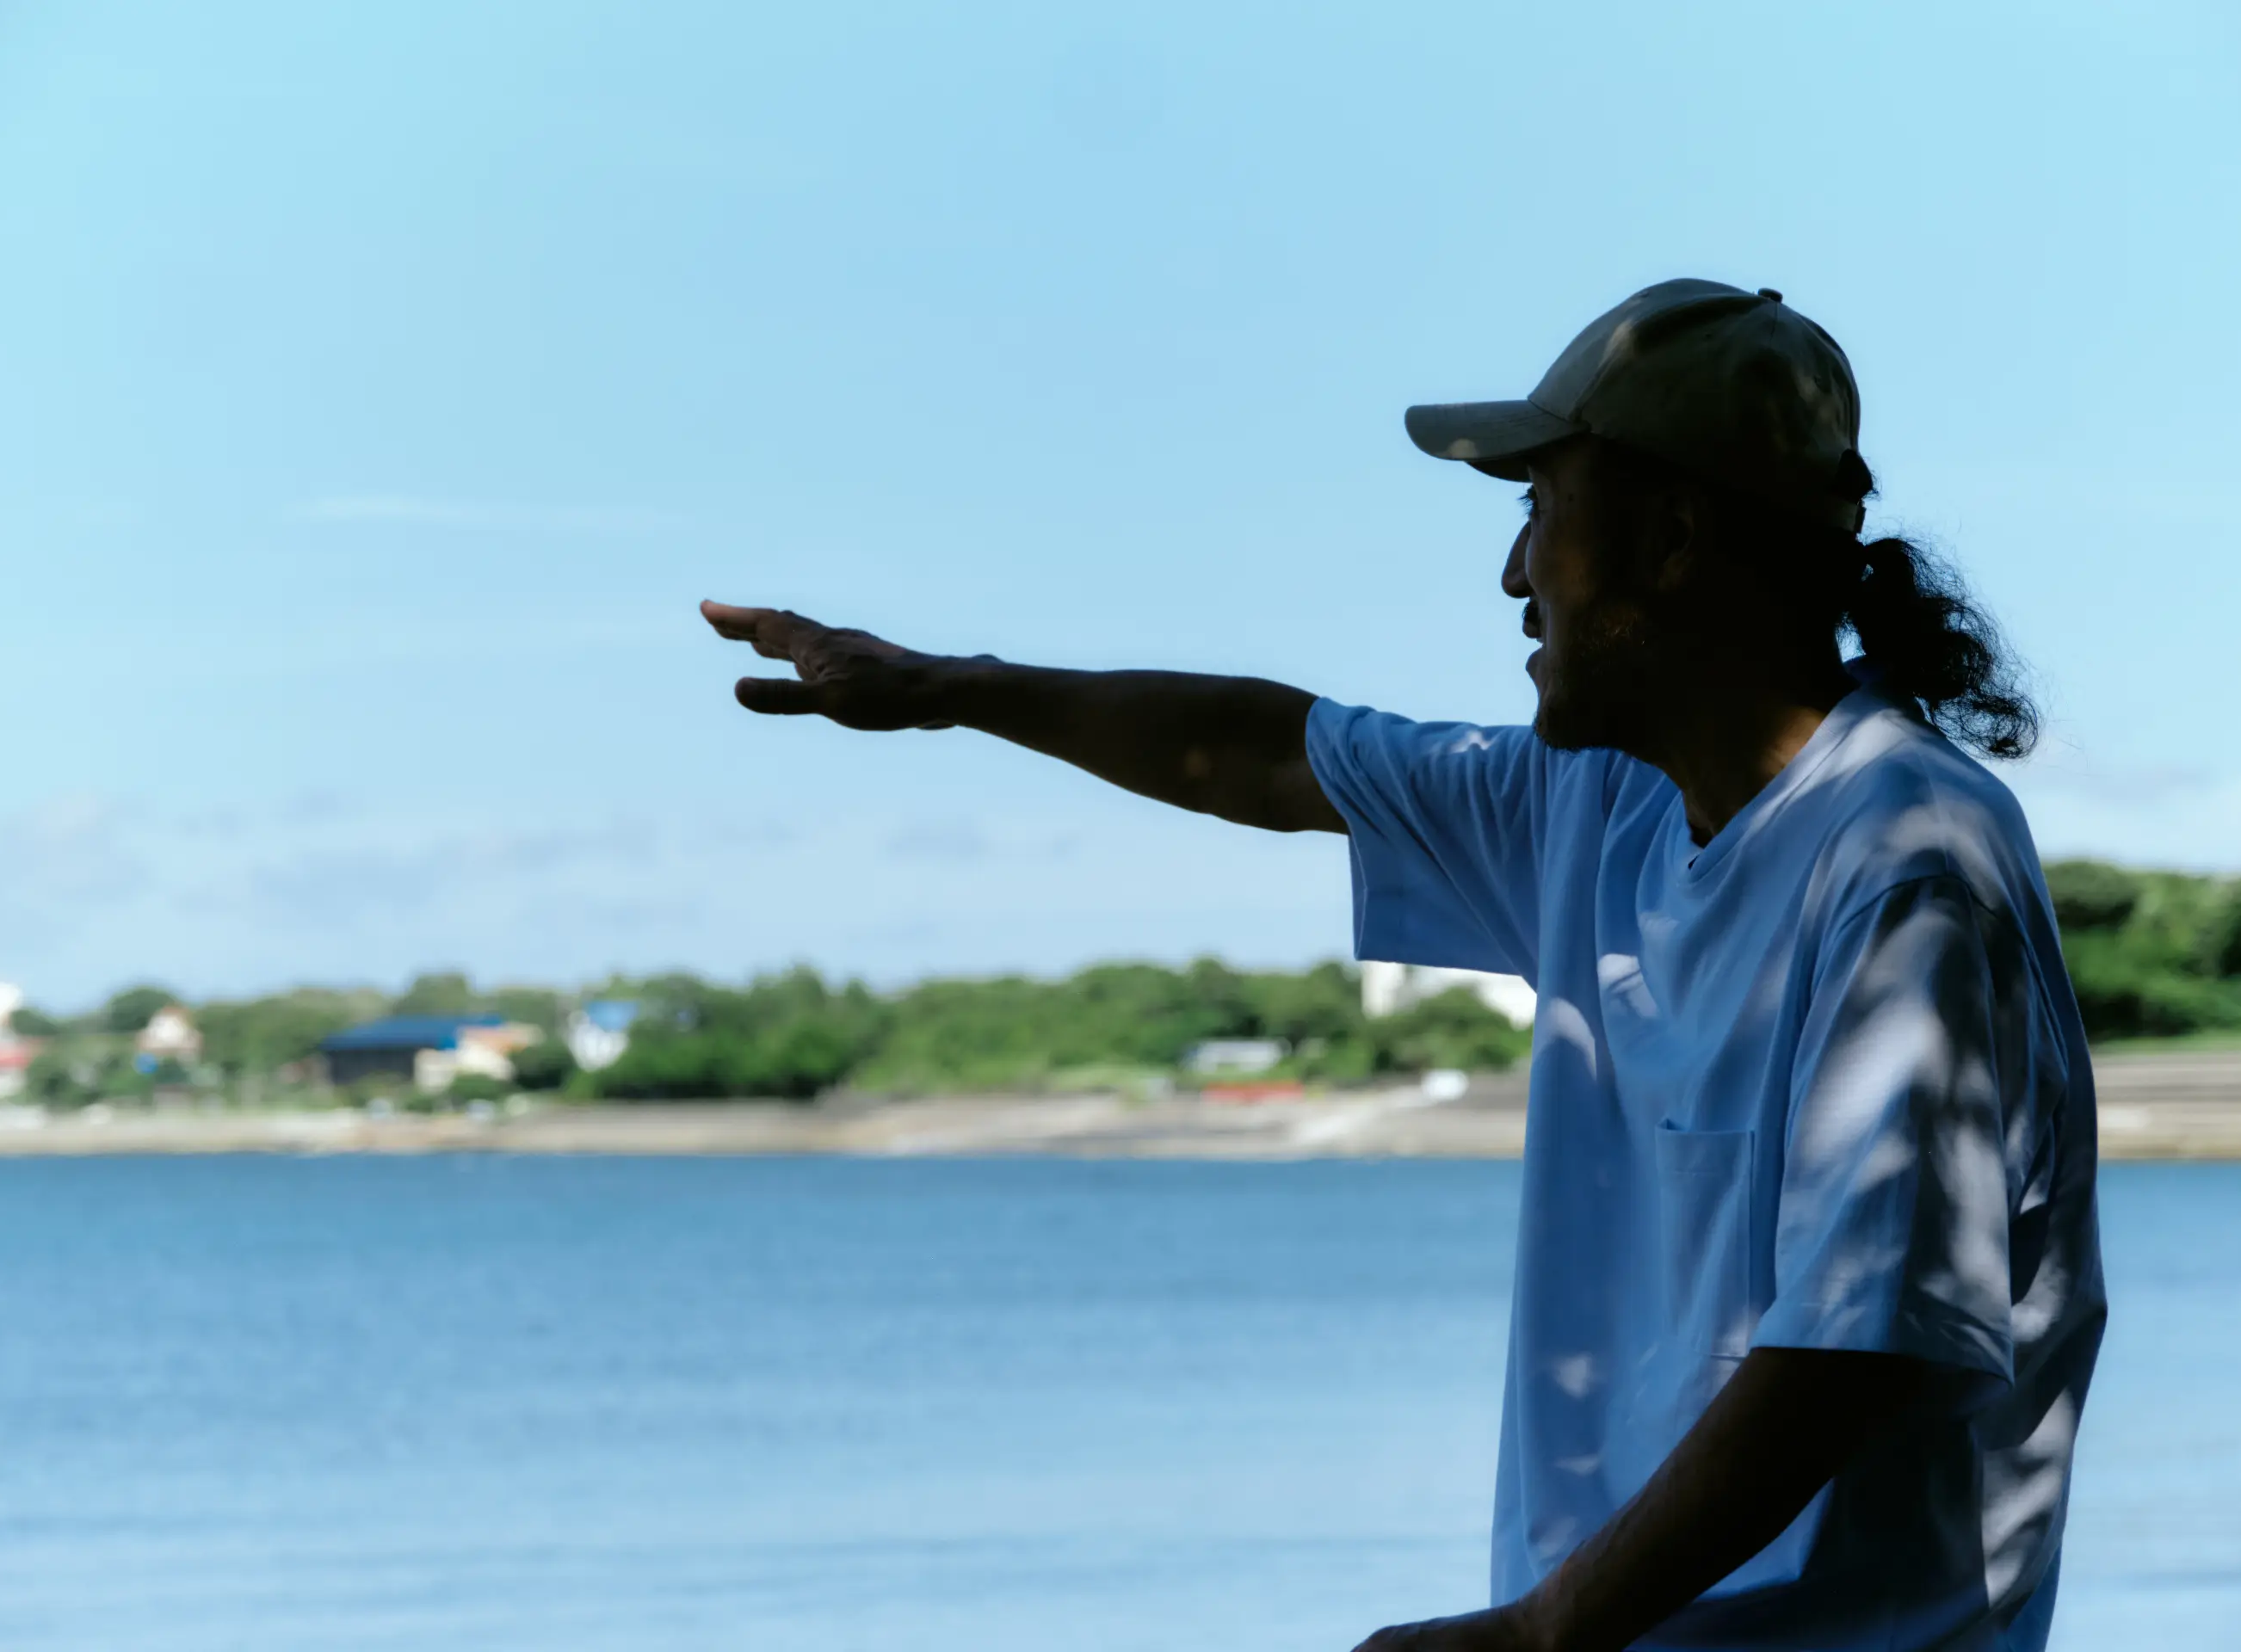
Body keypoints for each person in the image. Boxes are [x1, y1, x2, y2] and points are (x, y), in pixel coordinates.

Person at [700, 278, 2106, 1652]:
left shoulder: (1907, 859)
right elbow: (1266, 749)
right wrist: (945, 692)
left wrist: (1541, 1630)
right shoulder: (1599, 804)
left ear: (1672, 536)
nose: (1511, 575)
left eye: (1538, 512)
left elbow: (1848, 1355)